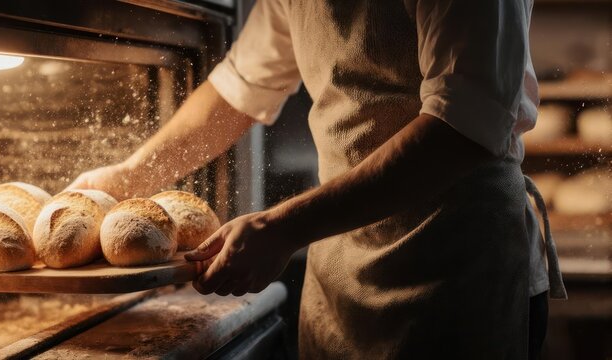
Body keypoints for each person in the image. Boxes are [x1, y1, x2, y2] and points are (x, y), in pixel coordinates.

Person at [69, 0, 567, 358]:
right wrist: (129, 176)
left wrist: (282, 228)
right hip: (342, 262)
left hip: (455, 268)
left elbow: (463, 128)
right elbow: (240, 87)